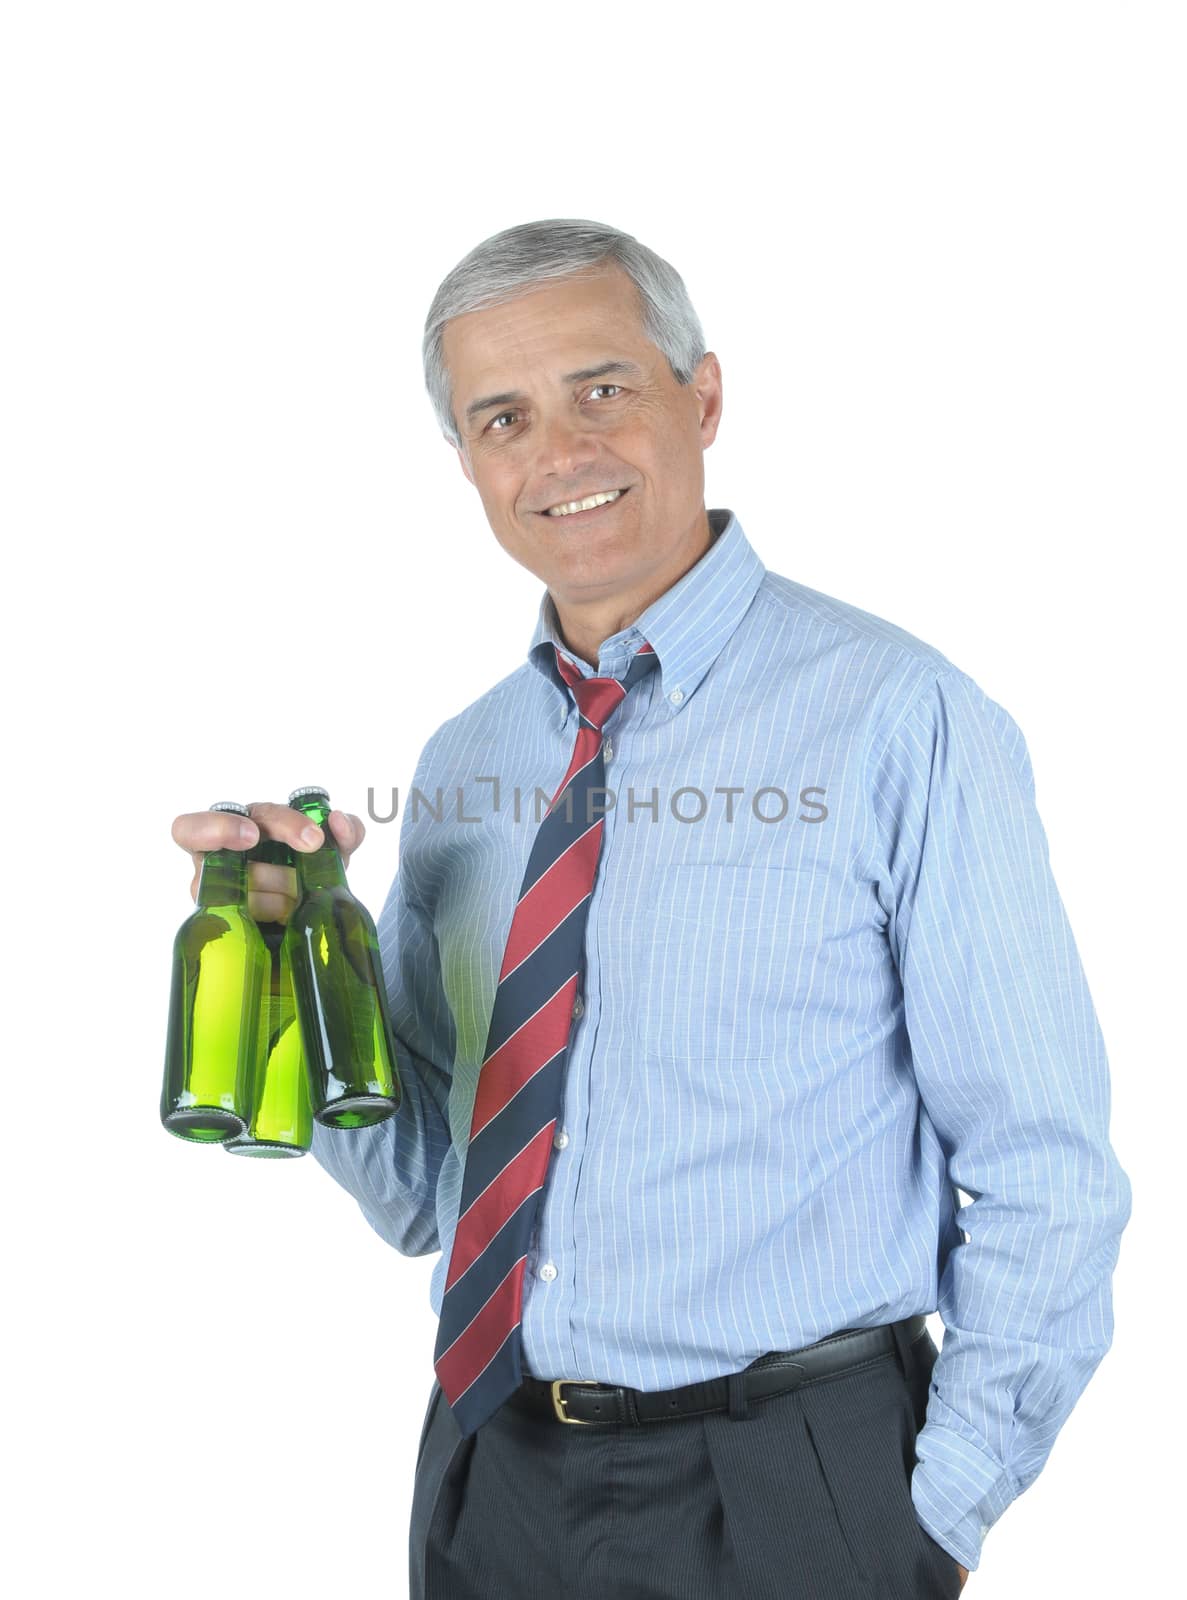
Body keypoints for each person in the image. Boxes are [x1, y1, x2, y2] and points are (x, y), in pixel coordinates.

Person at [171, 218, 1132, 1599]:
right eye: (503, 417)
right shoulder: (469, 763)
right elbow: (423, 1185)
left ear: (706, 396)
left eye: (601, 388)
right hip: (491, 1469)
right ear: (469, 465)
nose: (559, 451)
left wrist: (929, 1517)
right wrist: (281, 950)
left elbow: (1047, 1170)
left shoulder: (900, 719)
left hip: (794, 1486)